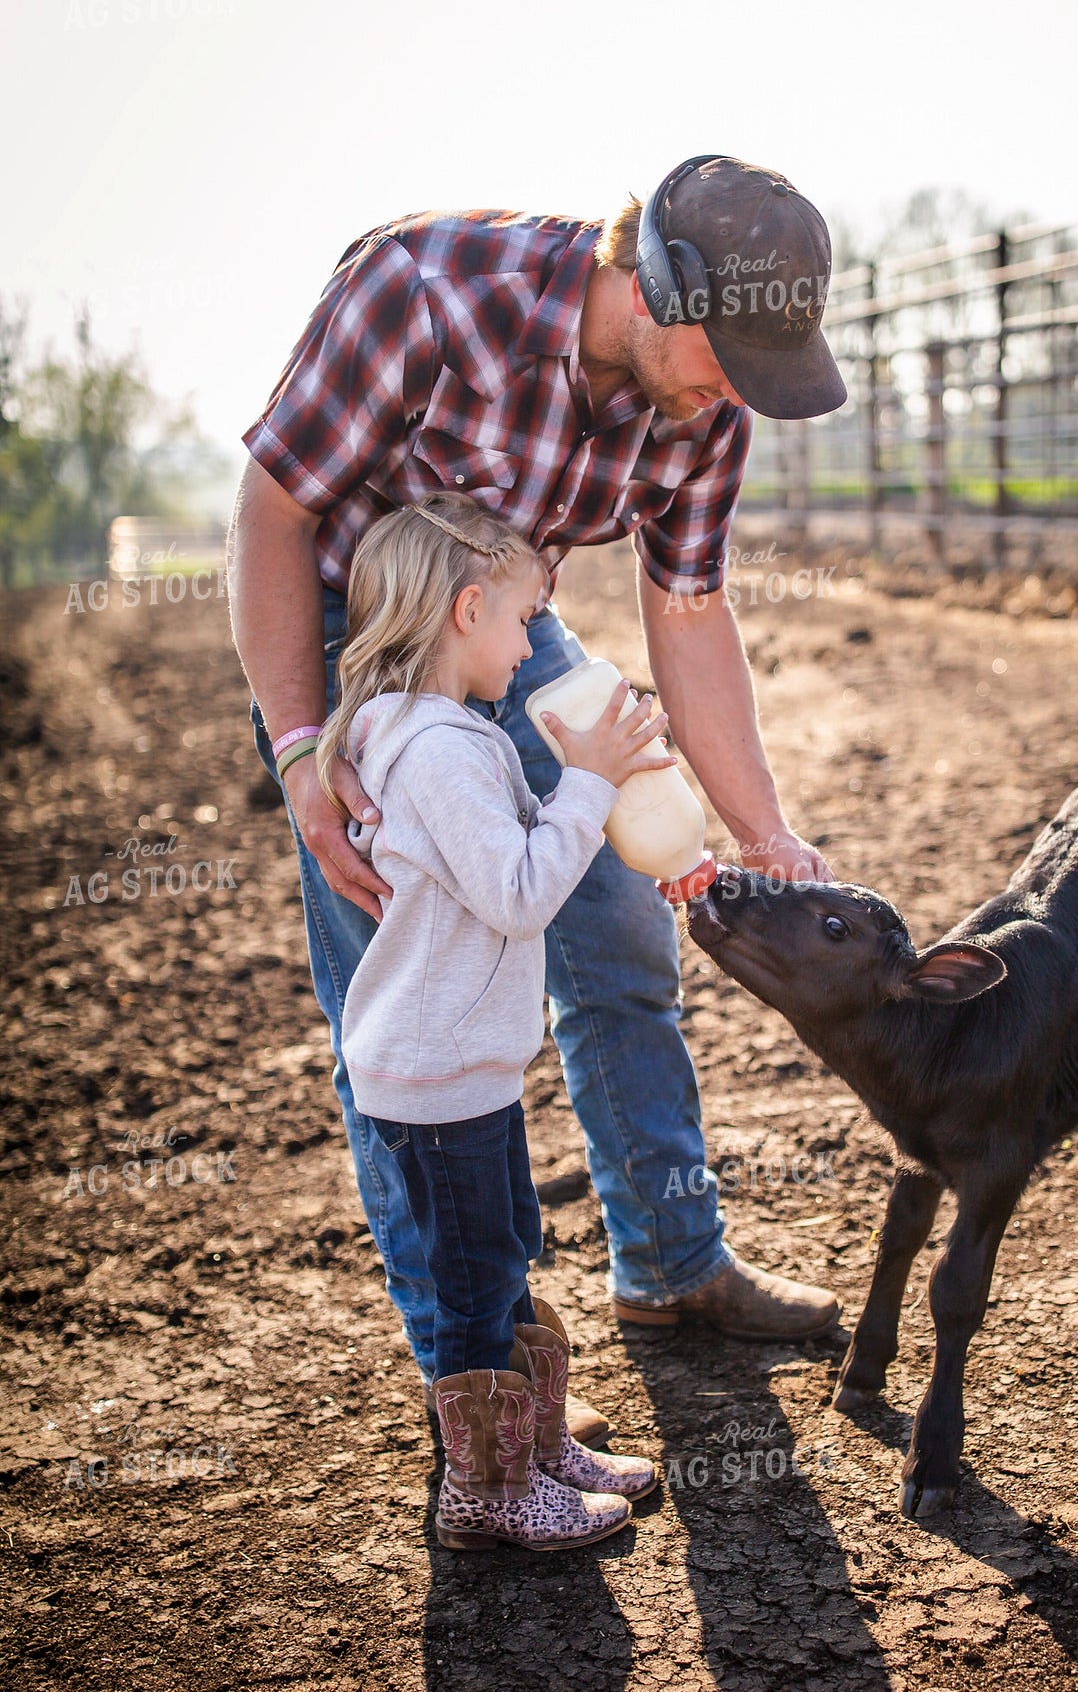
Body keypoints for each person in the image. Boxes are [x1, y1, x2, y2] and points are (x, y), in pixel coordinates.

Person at [229, 154, 846, 1419]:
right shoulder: (429, 291)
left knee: (620, 933)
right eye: (729, 351)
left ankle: (673, 1266)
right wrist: (304, 754)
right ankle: (480, 1373)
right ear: (653, 288)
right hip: (363, 629)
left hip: (512, 621)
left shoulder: (702, 409)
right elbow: (273, 515)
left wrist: (762, 826)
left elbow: (688, 610)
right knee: (404, 995)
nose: (739, 391)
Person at [327, 492, 661, 1549]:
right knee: (473, 1289)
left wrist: (588, 777)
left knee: (504, 1253)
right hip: (437, 1073)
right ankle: (485, 1494)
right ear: (468, 611)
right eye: (523, 618)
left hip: (465, 1067)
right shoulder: (438, 752)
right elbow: (519, 893)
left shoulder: (450, 738)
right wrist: (590, 786)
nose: (531, 643)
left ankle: (537, 1448)